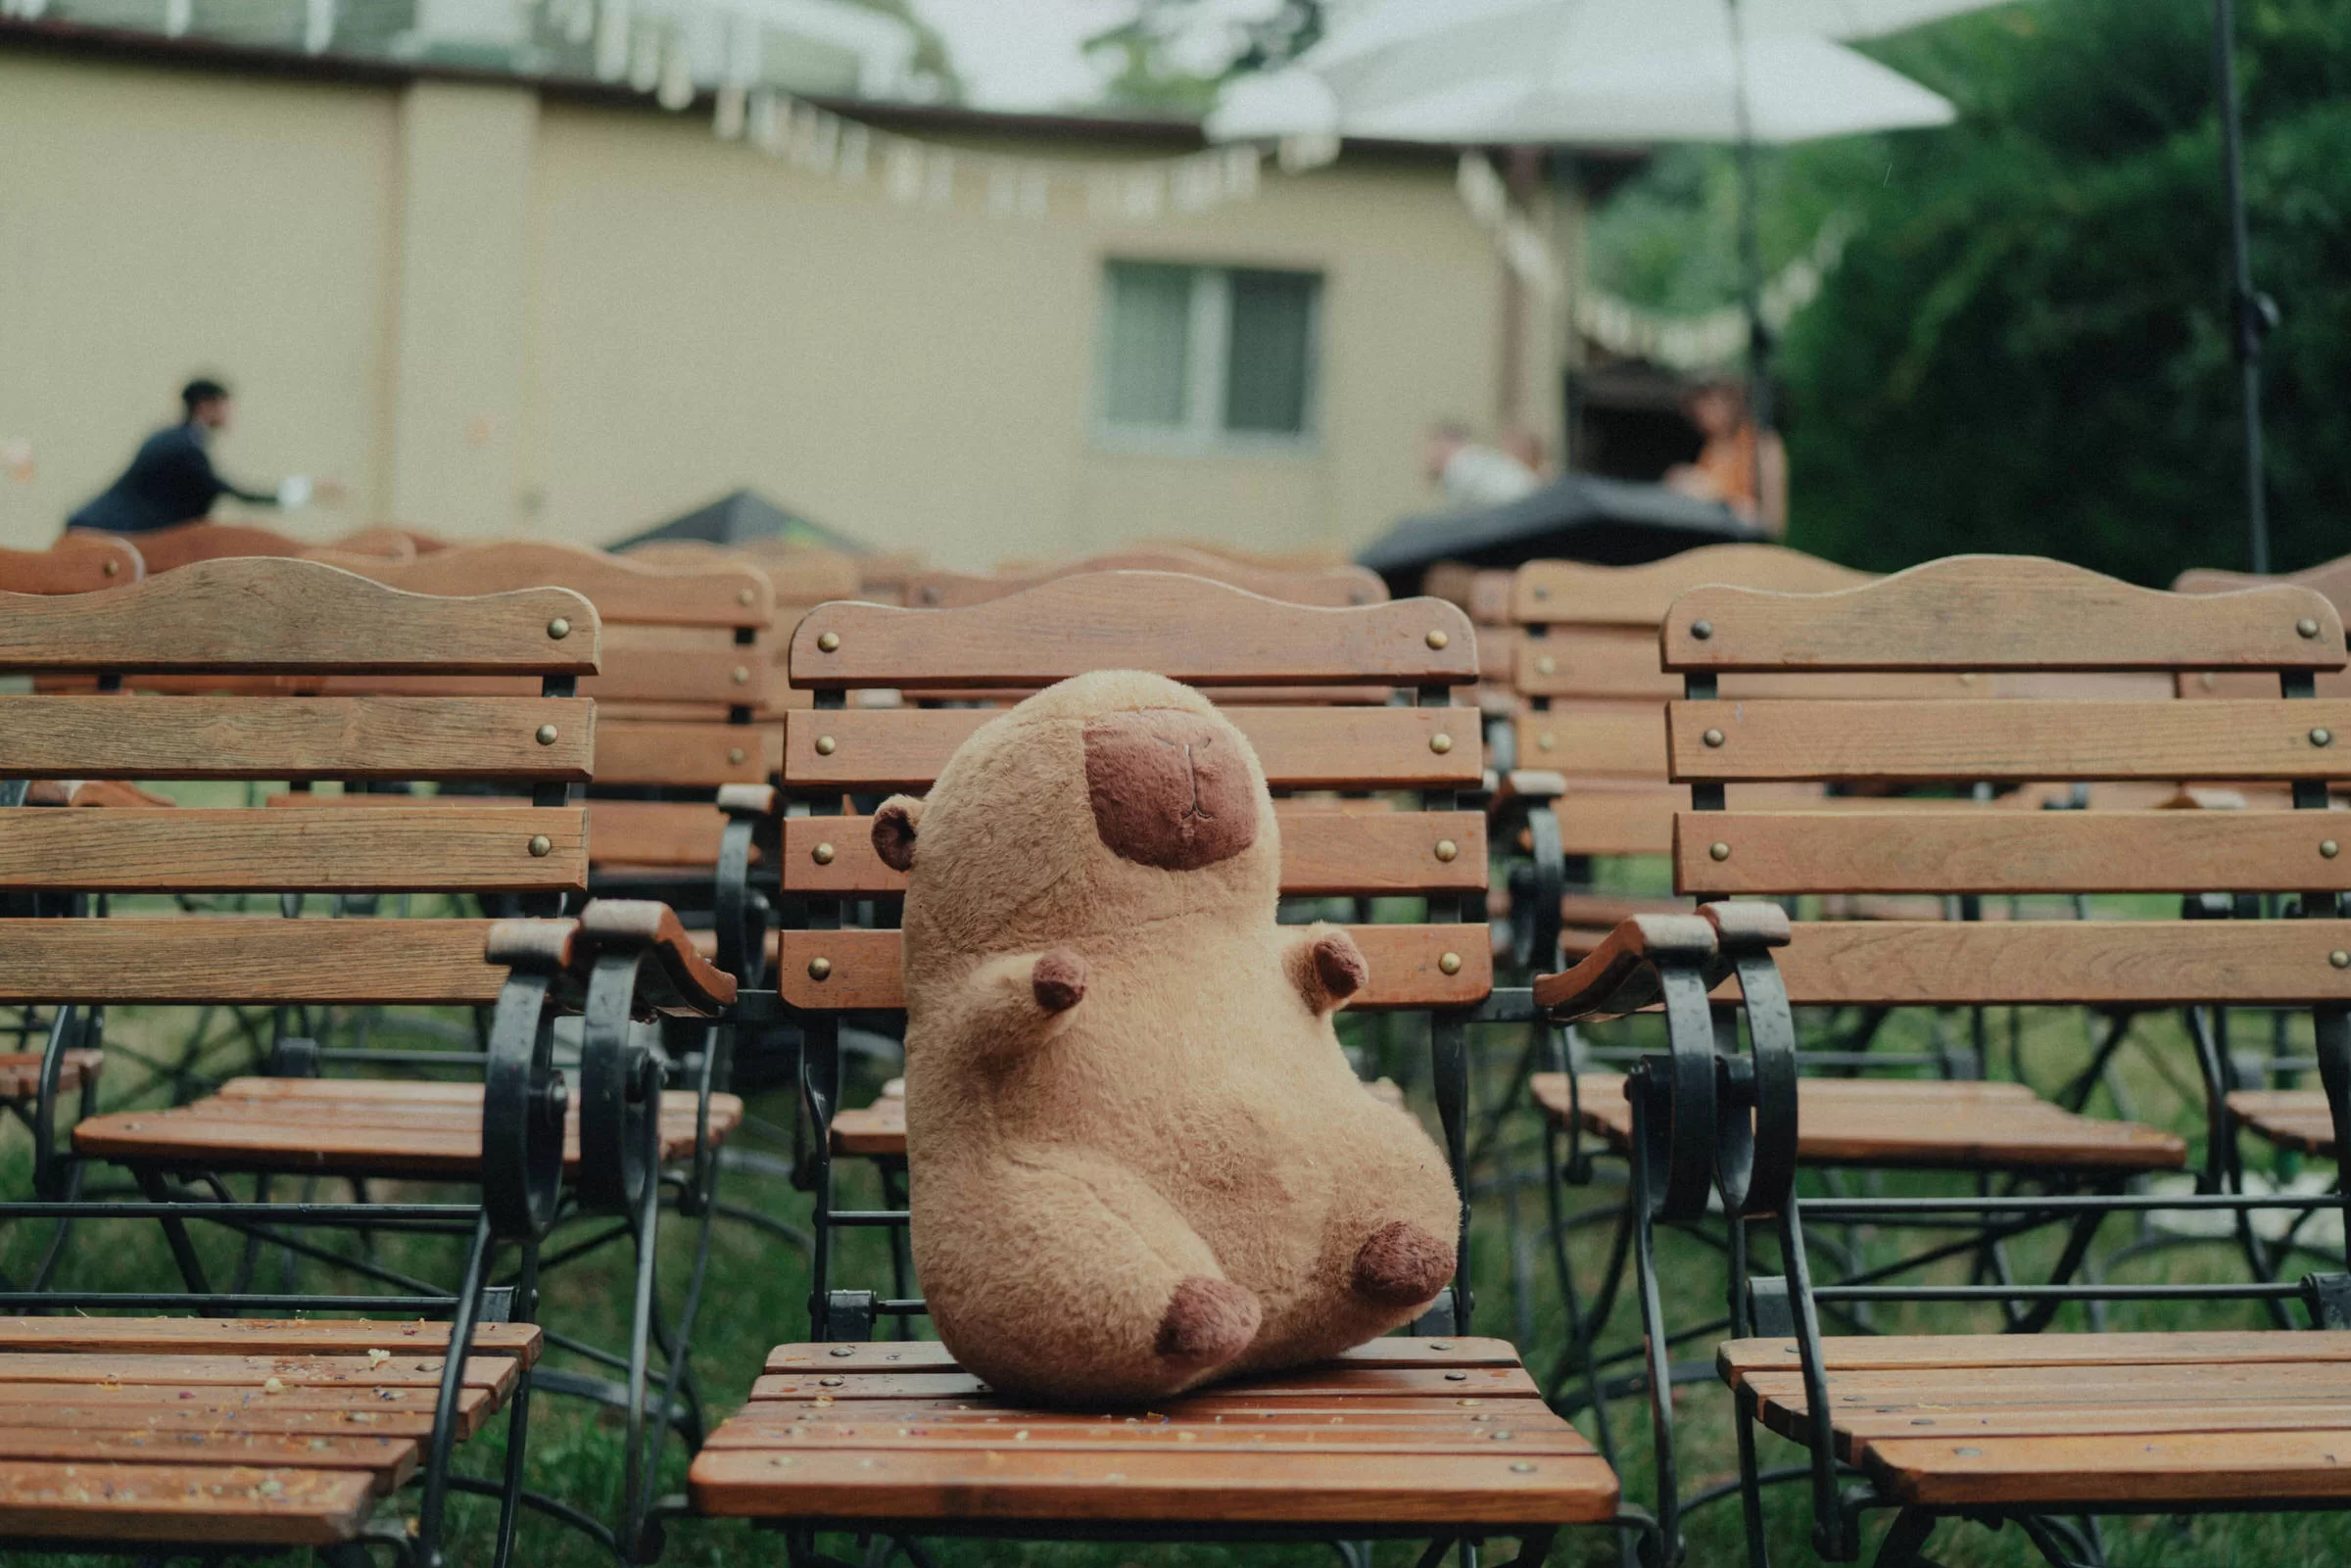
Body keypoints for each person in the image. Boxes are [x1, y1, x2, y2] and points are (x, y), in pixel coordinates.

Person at [65, 377, 339, 536]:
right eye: (225, 405)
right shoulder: (184, 448)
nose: (231, 413)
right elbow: (239, 493)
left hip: (101, 530)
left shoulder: (175, 439)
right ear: (207, 406)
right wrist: (308, 490)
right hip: (102, 534)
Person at [1663, 378, 1787, 538]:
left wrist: (1714, 493)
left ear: (1731, 403)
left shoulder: (1763, 445)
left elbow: (1772, 521)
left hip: (1743, 542)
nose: (1702, 414)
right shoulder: (1712, 446)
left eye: (1711, 404)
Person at [1423, 421, 1541, 509]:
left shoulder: (1460, 464)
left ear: (1444, 445)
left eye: (1434, 448)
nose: (1430, 457)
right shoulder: (1477, 458)